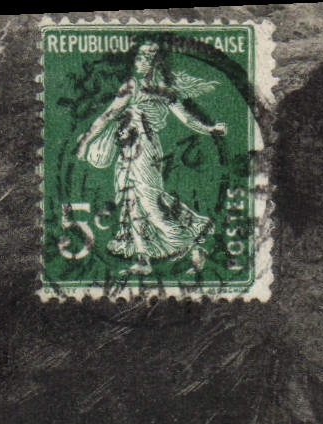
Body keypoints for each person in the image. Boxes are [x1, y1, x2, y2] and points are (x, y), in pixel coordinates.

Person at [74, 41, 225, 276]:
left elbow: (187, 118)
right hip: (129, 149)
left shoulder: (161, 90)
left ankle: (193, 248)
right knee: (130, 198)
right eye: (138, 59)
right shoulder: (131, 87)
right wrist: (85, 142)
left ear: (155, 63)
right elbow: (107, 116)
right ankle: (143, 259)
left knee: (150, 201)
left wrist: (210, 128)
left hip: (145, 149)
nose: (138, 63)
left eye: (144, 59)